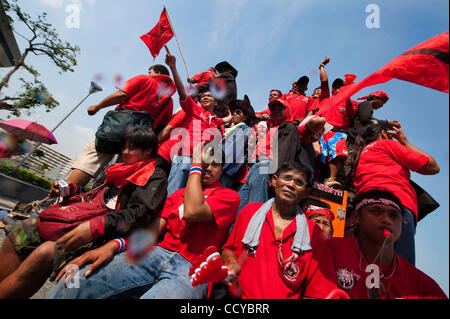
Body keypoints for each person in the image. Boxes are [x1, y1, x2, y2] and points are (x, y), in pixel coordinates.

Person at [47, 141, 240, 299]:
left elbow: (192, 211)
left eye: (215, 164)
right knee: (77, 279)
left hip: (192, 269)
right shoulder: (179, 194)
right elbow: (153, 232)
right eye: (205, 163)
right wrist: (114, 245)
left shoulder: (230, 197)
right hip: (157, 253)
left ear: (222, 169)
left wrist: (196, 165)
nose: (209, 168)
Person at [0, 127, 167, 298]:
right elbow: (92, 194)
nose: (125, 151)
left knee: (46, 252)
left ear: (147, 150)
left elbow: (140, 214)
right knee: (18, 230)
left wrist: (98, 225)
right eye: (124, 147)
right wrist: (68, 189)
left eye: (132, 148)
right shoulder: (117, 169)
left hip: (102, 235)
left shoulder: (155, 176)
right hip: (80, 220)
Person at [221, 161, 338, 299]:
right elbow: (228, 251)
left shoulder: (314, 235)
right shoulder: (249, 213)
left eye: (299, 182)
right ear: (274, 181)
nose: (291, 185)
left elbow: (317, 292)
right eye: (287, 178)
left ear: (306, 193)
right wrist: (231, 263)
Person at [66, 64, 176, 187]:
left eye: (150, 71)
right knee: (118, 176)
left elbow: (122, 94)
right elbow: (162, 126)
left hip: (116, 128)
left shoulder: (144, 79)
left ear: (158, 72)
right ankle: (97, 203)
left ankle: (62, 199)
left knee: (90, 162)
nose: (149, 73)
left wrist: (97, 106)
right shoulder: (169, 101)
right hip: (138, 141)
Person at [328, 189, 447, 299]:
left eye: (393, 215)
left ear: (403, 223)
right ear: (356, 217)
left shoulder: (422, 285)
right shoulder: (327, 252)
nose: (386, 220)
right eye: (375, 211)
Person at [353, 124, 440, 266]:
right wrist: (404, 142)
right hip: (396, 206)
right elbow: (432, 166)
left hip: (366, 209)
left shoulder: (362, 156)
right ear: (383, 133)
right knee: (401, 270)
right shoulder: (386, 145)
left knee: (369, 268)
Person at [164, 50, 232, 196]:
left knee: (187, 198)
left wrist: (231, 113)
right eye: (203, 96)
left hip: (201, 164)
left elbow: (227, 119)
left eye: (209, 96)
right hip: (185, 157)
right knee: (173, 195)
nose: (205, 97)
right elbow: (182, 92)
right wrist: (173, 68)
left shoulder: (215, 119)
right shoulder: (193, 108)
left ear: (215, 101)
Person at [316, 77, 359, 188]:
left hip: (338, 133)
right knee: (320, 155)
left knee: (339, 153)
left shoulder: (351, 102)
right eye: (341, 88)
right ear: (335, 89)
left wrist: (348, 98)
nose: (344, 90)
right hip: (323, 131)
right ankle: (315, 179)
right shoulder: (326, 99)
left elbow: (352, 115)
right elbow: (324, 82)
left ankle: (331, 179)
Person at [220, 95, 256, 189]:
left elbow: (234, 152)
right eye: (233, 112)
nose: (234, 114)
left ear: (245, 117)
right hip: (216, 167)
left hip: (225, 170)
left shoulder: (245, 129)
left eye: (238, 112)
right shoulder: (225, 129)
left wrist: (219, 165)